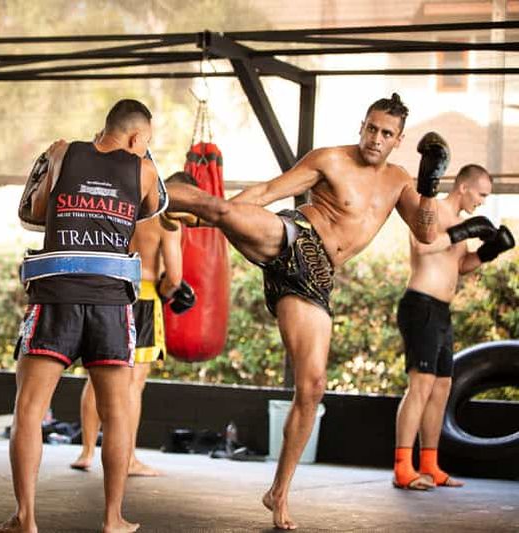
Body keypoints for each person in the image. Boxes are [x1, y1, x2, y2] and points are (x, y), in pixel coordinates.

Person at [163, 93, 443, 530]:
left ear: (398, 139)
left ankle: (278, 493)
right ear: (362, 126)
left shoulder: (400, 181)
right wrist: (235, 211)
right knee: (219, 207)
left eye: (386, 133)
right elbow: (271, 191)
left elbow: (426, 233)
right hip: (294, 235)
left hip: (315, 277)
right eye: (371, 128)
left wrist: (428, 187)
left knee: (312, 388)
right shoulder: (329, 159)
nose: (376, 138)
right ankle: (142, 190)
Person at [0, 99, 160, 533]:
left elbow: (32, 214)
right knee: (118, 413)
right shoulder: (142, 169)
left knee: (29, 408)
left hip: (56, 297)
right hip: (110, 303)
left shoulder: (63, 152)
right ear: (137, 137)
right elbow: (154, 206)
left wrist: (52, 165)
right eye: (147, 142)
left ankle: (24, 519)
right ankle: (113, 519)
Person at [394, 164, 514, 490]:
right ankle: (403, 467)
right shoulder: (432, 208)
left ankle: (430, 465)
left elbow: (460, 266)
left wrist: (489, 251)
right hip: (420, 306)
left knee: (441, 388)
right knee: (420, 386)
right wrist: (464, 232)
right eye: (482, 194)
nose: (483, 202)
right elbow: (423, 245)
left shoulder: (461, 223)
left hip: (442, 312)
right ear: (464, 187)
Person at [71, 186, 193, 477]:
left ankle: (87, 452)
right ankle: (127, 459)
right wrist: (163, 295)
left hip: (107, 292)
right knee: (133, 383)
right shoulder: (167, 221)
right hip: (144, 295)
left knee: (97, 375)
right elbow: (174, 277)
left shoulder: (114, 212)